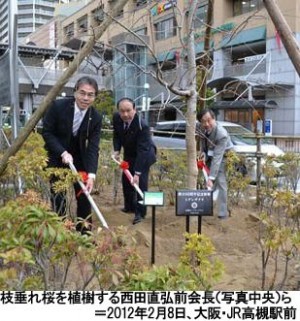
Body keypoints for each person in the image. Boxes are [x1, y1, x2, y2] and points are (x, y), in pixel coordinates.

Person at [42, 76, 103, 233]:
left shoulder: (95, 117)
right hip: (57, 156)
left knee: (84, 195)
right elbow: (47, 133)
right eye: (82, 93)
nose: (85, 98)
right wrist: (62, 152)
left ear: (95, 97)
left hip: (79, 158)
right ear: (75, 92)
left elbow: (93, 147)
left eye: (90, 95)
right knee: (58, 195)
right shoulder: (58, 106)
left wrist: (91, 175)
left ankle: (84, 232)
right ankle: (61, 231)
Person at [113, 97, 156, 225]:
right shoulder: (117, 118)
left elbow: (143, 151)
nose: (125, 114)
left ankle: (141, 213)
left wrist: (137, 173)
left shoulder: (142, 126)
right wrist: (117, 150)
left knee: (140, 184)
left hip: (144, 154)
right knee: (126, 180)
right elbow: (117, 134)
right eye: (122, 111)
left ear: (135, 110)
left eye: (128, 110)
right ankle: (129, 207)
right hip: (129, 153)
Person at [196, 108, 233, 219]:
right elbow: (203, 141)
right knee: (207, 181)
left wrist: (212, 177)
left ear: (214, 119)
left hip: (223, 155)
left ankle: (223, 213)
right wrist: (203, 153)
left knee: (220, 181)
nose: (206, 124)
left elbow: (218, 157)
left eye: (209, 120)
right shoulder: (200, 128)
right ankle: (206, 208)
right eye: (203, 121)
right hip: (210, 155)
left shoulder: (221, 134)